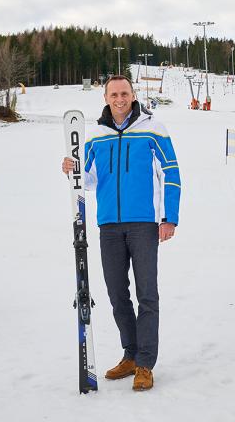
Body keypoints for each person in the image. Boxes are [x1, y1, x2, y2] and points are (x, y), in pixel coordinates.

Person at [61, 75, 181, 391]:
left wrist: (169, 218)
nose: (119, 98)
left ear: (132, 95)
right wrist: (71, 168)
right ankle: (130, 353)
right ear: (105, 97)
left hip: (143, 224)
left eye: (124, 93)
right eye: (113, 94)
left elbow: (171, 173)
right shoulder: (96, 136)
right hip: (109, 225)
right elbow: (87, 179)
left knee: (147, 294)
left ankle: (145, 364)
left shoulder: (153, 129)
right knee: (117, 294)